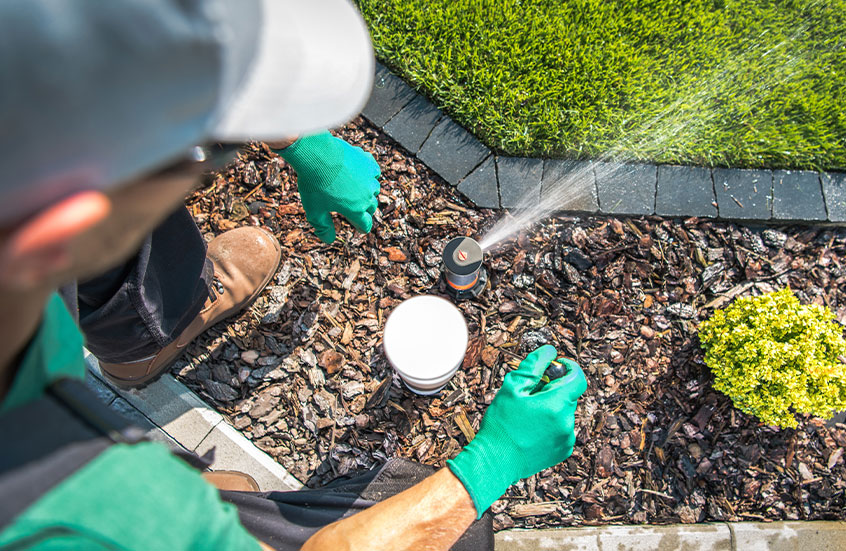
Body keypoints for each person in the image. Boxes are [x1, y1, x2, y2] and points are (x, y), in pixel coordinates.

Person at [0, 1, 588, 551]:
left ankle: (150, 342)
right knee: (458, 533)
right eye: (202, 158)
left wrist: (299, 142)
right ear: (65, 224)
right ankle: (161, 373)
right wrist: (490, 466)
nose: (210, 169)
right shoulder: (95, 514)